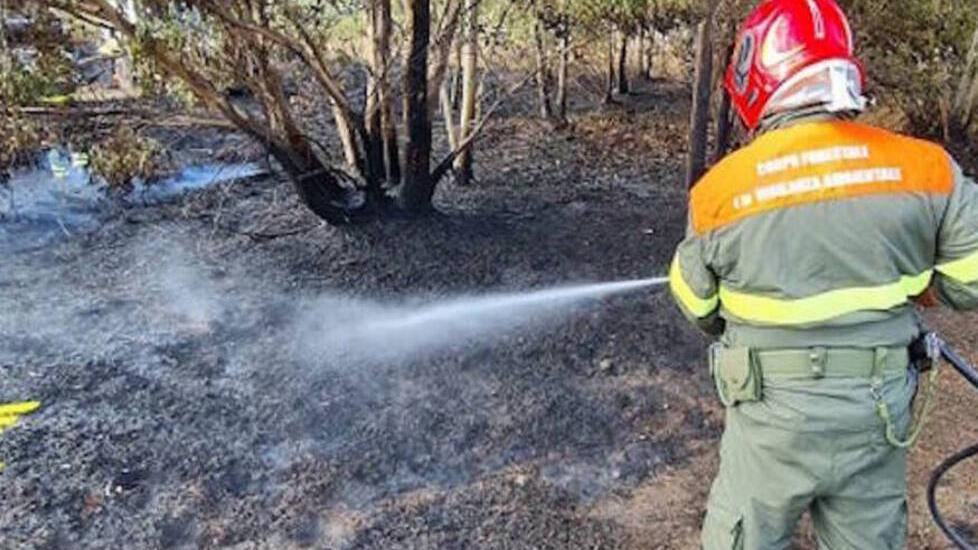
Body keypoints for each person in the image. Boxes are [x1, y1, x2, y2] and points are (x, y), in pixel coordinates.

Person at [668, 0, 978, 547]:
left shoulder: (720, 192)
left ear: (756, 73)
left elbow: (699, 309)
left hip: (769, 423)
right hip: (877, 413)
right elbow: (968, 282)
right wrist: (911, 277)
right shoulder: (927, 168)